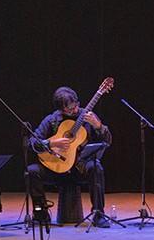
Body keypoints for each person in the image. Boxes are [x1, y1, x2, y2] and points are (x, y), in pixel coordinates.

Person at [28, 86, 113, 227]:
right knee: (32, 171)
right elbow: (33, 142)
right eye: (69, 109)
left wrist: (98, 126)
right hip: (56, 169)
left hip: (79, 167)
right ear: (61, 109)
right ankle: (40, 213)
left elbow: (108, 141)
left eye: (75, 106)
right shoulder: (52, 120)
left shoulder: (87, 117)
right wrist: (51, 142)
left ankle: (98, 214)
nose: (74, 110)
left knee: (96, 167)